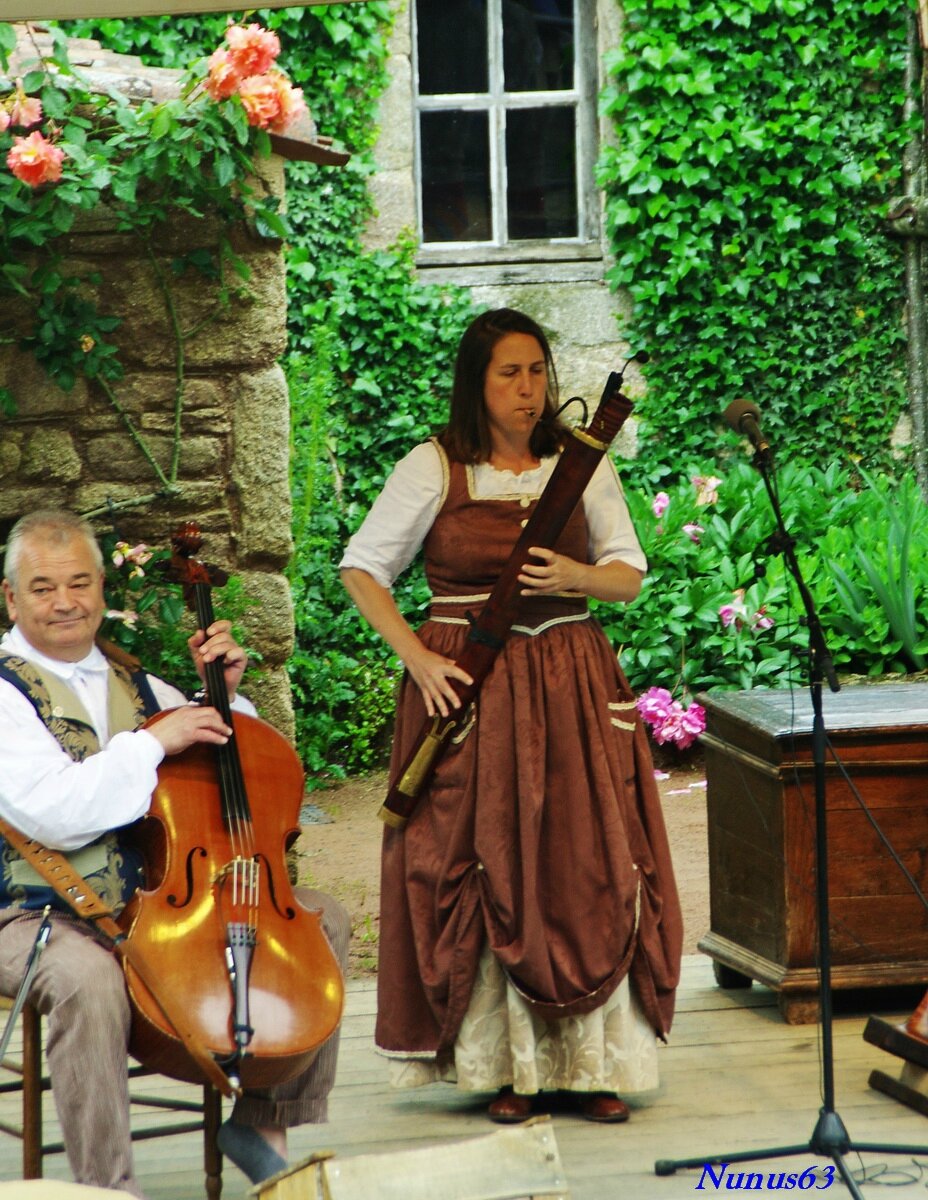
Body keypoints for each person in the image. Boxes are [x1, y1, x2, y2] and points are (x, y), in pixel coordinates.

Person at [340, 308, 682, 1125]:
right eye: (509, 374)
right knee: (487, 855)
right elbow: (362, 568)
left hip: (571, 682)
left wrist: (574, 574)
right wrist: (417, 658)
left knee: (585, 858)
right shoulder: (433, 466)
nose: (528, 389)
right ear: (477, 384)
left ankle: (591, 1063)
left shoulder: (584, 463)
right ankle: (507, 1068)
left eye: (536, 371)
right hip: (471, 688)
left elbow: (627, 574)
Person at [0, 510, 349, 1196]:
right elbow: (57, 814)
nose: (65, 601)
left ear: (103, 589)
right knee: (90, 982)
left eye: (79, 583)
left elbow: (240, 769)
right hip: (31, 913)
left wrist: (227, 694)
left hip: (151, 909)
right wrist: (156, 741)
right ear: (11, 598)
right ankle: (108, 1187)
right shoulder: (4, 693)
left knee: (323, 924)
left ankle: (262, 1127)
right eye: (43, 587)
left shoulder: (140, 684)